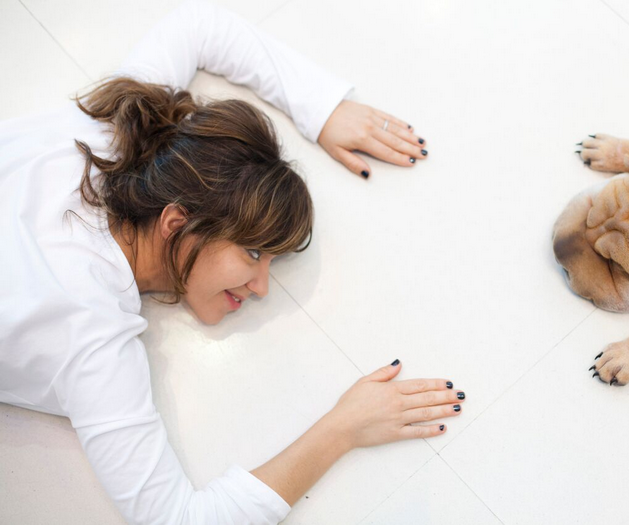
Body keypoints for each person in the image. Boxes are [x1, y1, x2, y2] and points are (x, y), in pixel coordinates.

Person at [0, 1, 465, 523]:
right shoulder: (88, 336)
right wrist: (343, 428)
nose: (262, 287)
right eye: (253, 252)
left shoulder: (111, 133)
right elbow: (176, 519)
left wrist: (322, 107)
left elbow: (197, 25)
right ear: (176, 222)